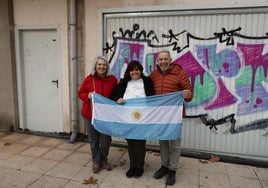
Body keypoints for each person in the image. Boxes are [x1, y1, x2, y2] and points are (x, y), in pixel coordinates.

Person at [149, 50, 193, 186]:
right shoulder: (153, 75)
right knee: (163, 143)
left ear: (170, 60)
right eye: (160, 59)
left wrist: (188, 95)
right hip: (160, 116)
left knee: (174, 145)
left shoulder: (180, 73)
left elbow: (190, 94)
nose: (163, 62)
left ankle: (173, 170)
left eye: (165, 59)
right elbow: (147, 91)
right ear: (157, 62)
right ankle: (164, 166)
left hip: (174, 116)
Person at [111, 60, 155, 178]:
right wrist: (118, 98)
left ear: (140, 70)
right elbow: (114, 95)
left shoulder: (147, 81)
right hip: (127, 119)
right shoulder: (124, 82)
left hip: (143, 119)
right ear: (129, 72)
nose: (134, 72)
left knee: (140, 143)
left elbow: (153, 98)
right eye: (132, 70)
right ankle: (132, 166)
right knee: (130, 142)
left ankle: (140, 166)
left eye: (137, 69)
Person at [78, 56, 117, 173]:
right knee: (94, 140)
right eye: (99, 64)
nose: (101, 67)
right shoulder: (89, 79)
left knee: (106, 140)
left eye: (104, 65)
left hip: (106, 116)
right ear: (95, 66)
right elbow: (81, 93)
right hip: (91, 115)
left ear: (107, 67)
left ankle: (104, 160)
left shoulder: (113, 80)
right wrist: (88, 95)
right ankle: (96, 161)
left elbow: (117, 94)